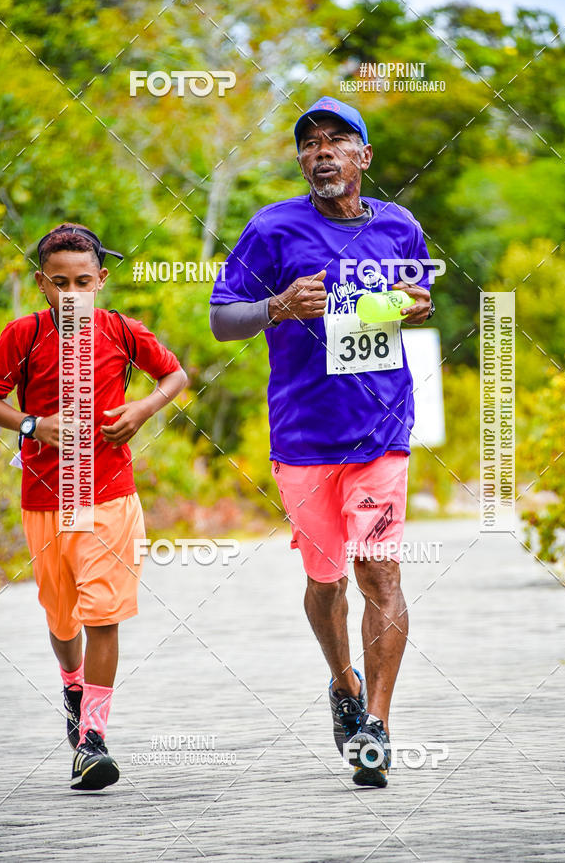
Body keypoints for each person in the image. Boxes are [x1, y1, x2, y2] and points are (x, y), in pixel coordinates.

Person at [210, 97, 435, 788]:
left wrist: (420, 304)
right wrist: (279, 305)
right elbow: (223, 320)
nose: (322, 151)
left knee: (380, 575)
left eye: (338, 140)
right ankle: (344, 681)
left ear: (363, 157)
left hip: (380, 431)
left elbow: (417, 298)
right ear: (302, 160)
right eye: (309, 143)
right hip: (304, 437)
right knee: (325, 579)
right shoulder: (272, 228)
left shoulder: (400, 227)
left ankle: (378, 724)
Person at [0, 223, 187, 791]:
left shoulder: (122, 331)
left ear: (100, 279)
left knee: (103, 615)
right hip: (44, 498)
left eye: (83, 281)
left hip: (110, 497)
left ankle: (94, 740)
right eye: (59, 284)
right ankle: (72, 685)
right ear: (41, 285)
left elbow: (174, 374)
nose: (72, 293)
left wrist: (144, 408)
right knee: (61, 616)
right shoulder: (23, 336)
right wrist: (31, 424)